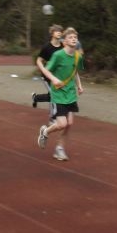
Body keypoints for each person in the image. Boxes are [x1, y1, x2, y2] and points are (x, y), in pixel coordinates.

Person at [36, 27, 84, 161]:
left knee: (69, 124)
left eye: (75, 37)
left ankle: (60, 149)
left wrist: (79, 85)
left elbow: (75, 72)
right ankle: (45, 131)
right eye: (70, 37)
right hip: (58, 93)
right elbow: (46, 70)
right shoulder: (58, 55)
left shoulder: (78, 56)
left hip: (71, 93)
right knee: (62, 124)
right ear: (64, 41)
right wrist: (54, 79)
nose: (74, 39)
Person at [31, 24, 64, 124]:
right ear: (52, 33)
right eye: (57, 31)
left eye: (60, 31)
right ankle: (52, 117)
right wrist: (43, 70)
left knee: (52, 96)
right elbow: (39, 60)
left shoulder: (63, 46)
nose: (59, 33)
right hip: (47, 76)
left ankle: (35, 98)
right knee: (54, 95)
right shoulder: (46, 47)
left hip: (58, 76)